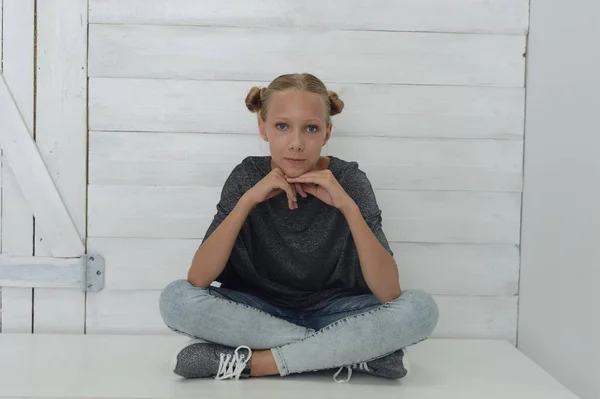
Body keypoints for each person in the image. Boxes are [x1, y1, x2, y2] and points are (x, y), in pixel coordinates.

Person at [159, 73, 439, 383]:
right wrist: (249, 200)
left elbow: (389, 293)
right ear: (262, 128)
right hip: (258, 313)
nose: (296, 143)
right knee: (175, 299)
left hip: (335, 313)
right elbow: (198, 278)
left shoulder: (350, 181)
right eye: (282, 126)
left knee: (421, 309)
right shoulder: (246, 176)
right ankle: (348, 353)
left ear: (327, 133)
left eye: (311, 128)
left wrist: (347, 206)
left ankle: (259, 363)